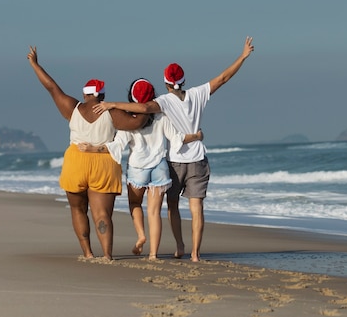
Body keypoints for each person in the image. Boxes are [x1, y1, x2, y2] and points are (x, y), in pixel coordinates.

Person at [93, 36, 255, 261]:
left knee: (172, 207)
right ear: (184, 80)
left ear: (166, 82)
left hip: (175, 162)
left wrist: (113, 104)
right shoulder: (198, 94)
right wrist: (243, 56)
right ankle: (195, 254)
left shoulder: (164, 102)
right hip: (198, 160)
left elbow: (142, 108)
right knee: (197, 208)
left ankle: (178, 246)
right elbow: (224, 78)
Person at [27, 46, 148, 260]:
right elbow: (139, 120)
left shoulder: (71, 107)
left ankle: (88, 253)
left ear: (85, 93)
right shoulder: (112, 112)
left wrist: (35, 64)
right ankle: (108, 255)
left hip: (76, 162)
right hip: (104, 163)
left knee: (78, 210)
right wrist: (148, 106)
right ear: (101, 94)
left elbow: (51, 87)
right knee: (102, 214)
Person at [78, 78, 204, 260]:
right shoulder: (161, 116)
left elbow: (117, 145)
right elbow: (176, 138)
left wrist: (93, 148)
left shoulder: (128, 118)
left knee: (135, 204)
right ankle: (153, 254)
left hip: (137, 169)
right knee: (154, 213)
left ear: (132, 96)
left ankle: (141, 235)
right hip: (159, 167)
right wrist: (196, 136)